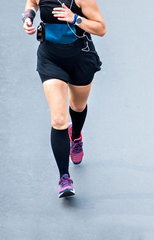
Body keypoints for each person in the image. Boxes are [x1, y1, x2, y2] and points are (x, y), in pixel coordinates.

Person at [22, 0, 106, 198]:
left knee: (78, 106)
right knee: (59, 120)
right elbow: (31, 3)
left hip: (81, 57)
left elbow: (101, 28)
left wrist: (75, 18)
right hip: (50, 57)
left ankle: (75, 136)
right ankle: (64, 178)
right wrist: (28, 17)